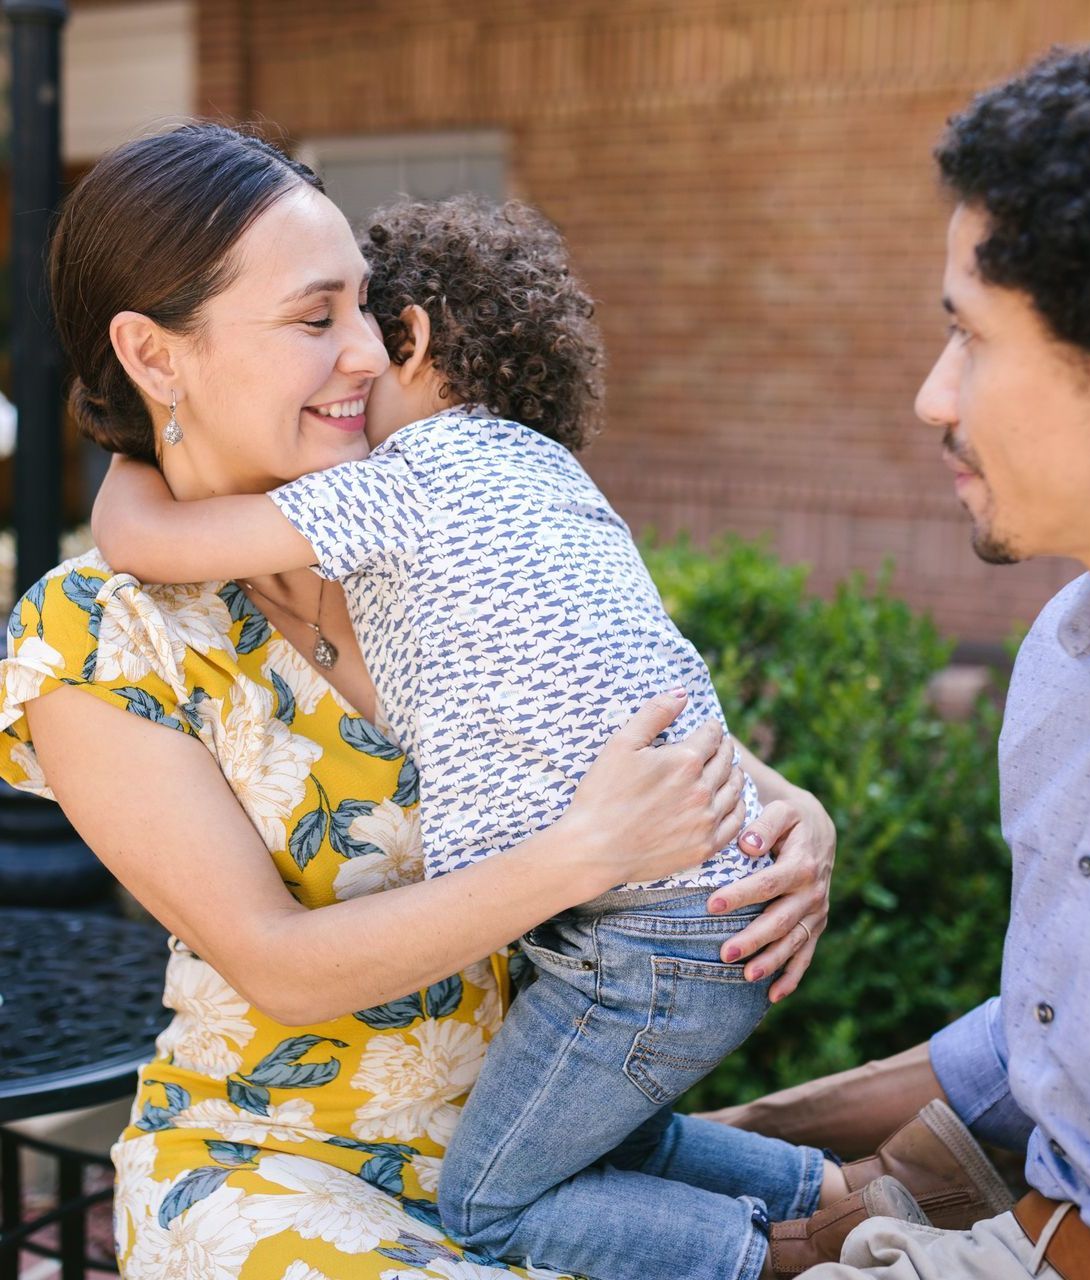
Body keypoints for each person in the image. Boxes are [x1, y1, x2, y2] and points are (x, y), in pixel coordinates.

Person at [4, 123, 836, 1280]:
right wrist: (587, 854)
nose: (361, 353)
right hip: (280, 1159)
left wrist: (790, 808)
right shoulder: (93, 632)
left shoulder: (428, 513)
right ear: (155, 355)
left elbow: (609, 700)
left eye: (365, 309)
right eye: (314, 318)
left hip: (542, 1136)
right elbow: (279, 961)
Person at [707, 26, 1090, 1280]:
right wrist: (740, 1139)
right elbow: (1061, 1041)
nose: (931, 395)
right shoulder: (1073, 657)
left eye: (969, 334)